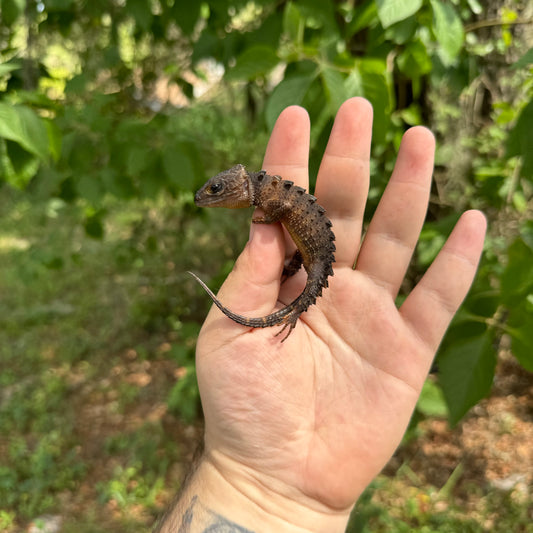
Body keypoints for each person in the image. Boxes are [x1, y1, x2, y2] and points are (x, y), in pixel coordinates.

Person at [154, 98, 487, 532]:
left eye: (217, 190)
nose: (210, 197)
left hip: (319, 256)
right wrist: (251, 480)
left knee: (305, 288)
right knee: (297, 279)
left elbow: (284, 213)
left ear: (239, 187)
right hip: (312, 255)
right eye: (214, 191)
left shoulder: (271, 197)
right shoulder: (265, 192)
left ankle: (291, 308)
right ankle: (291, 302)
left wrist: (291, 288)